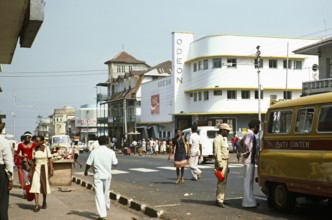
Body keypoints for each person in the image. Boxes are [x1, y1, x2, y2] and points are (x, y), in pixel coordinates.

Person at [84, 136, 118, 220]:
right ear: (106, 142)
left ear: (98, 142)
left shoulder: (94, 152)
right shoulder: (111, 152)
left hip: (98, 176)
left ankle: (102, 215)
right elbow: (115, 163)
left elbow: (88, 163)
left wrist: (86, 171)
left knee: (99, 195)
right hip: (107, 176)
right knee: (106, 193)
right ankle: (106, 206)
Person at [29, 135, 54, 212]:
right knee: (35, 186)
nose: (36, 142)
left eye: (38, 141)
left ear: (43, 141)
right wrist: (30, 171)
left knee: (44, 186)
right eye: (36, 141)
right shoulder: (34, 149)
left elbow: (50, 159)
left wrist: (51, 169)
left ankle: (44, 201)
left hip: (44, 168)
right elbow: (33, 161)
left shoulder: (46, 148)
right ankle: (36, 205)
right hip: (36, 168)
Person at [242, 118, 260, 208]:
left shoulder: (249, 134)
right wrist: (247, 152)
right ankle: (247, 202)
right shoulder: (250, 134)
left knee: (249, 182)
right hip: (249, 161)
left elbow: (239, 143)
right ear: (255, 127)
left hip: (250, 161)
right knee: (248, 182)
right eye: (258, 126)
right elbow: (245, 143)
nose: (259, 129)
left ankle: (251, 201)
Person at [213, 123, 232, 208]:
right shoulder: (218, 139)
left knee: (224, 182)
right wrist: (220, 164)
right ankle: (219, 200)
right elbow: (217, 153)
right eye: (227, 131)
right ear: (222, 130)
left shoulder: (223, 139)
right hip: (221, 162)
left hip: (225, 162)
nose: (228, 133)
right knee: (221, 181)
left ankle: (221, 198)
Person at [15, 131, 36, 199]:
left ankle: (32, 192)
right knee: (25, 179)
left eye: (28, 137)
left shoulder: (33, 144)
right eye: (25, 137)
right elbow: (16, 153)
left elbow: (36, 152)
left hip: (32, 163)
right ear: (24, 137)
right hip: (24, 163)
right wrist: (21, 157)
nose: (27, 138)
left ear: (30, 137)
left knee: (32, 178)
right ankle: (25, 192)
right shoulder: (20, 145)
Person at [0, 119, 14, 220]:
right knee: (2, 201)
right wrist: (10, 179)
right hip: (1, 173)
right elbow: (8, 162)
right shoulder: (3, 142)